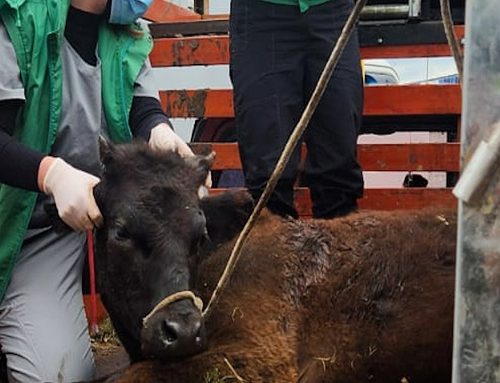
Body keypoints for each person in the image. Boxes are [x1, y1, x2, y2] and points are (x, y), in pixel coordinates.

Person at [0, 0, 194, 381]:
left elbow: (141, 108)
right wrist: (50, 175)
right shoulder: (16, 18)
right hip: (18, 222)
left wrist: (160, 131)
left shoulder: (127, 29)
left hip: (78, 229)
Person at [229, 0, 364, 219]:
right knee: (268, 178)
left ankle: (339, 251)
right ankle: (272, 251)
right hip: (261, 14)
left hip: (333, 10)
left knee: (338, 167)